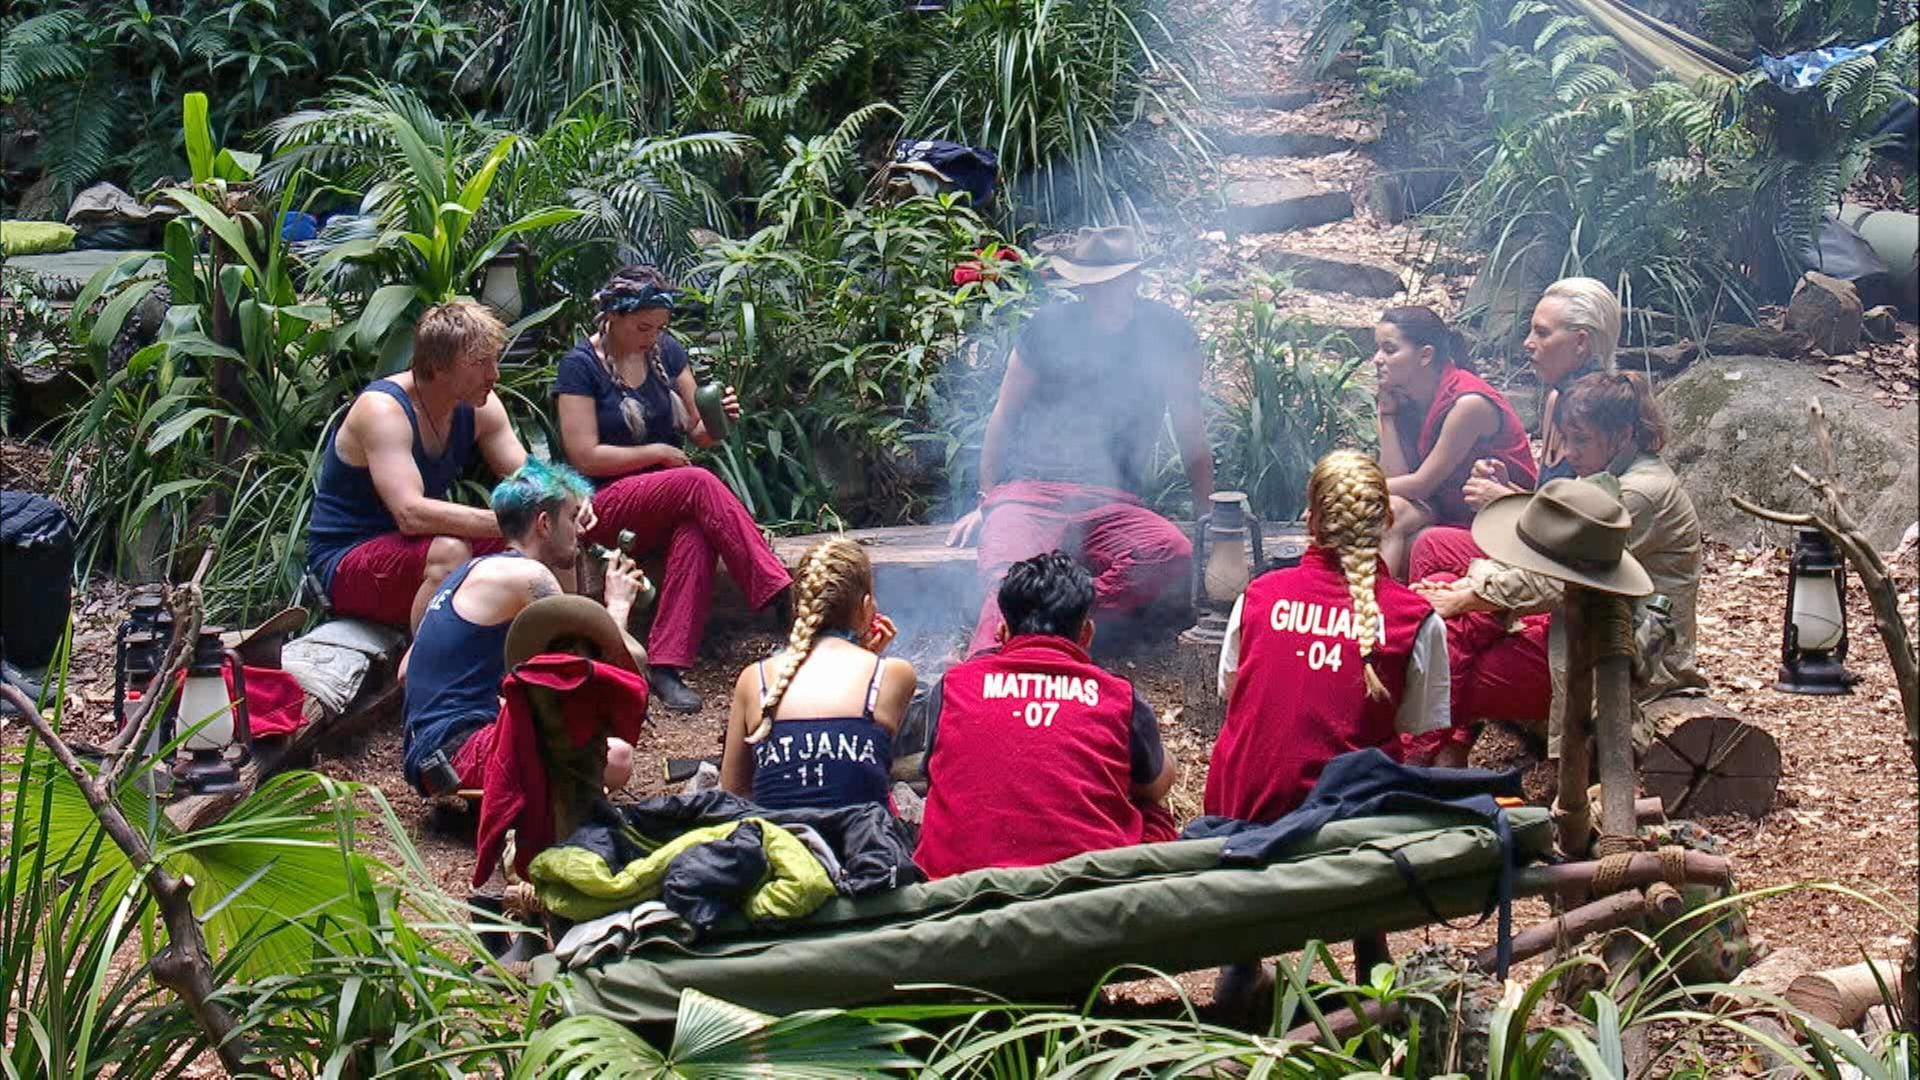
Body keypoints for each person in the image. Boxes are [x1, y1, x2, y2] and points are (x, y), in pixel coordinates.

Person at [944, 226, 1212, 656]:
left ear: (1134, 278)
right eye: (1095, 282)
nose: (1104, 290)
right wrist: (987, 499)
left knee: (1171, 553)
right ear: (1082, 284)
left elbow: (1190, 430)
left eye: (1115, 279)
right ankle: (985, 670)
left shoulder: (1168, 334)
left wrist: (1206, 517)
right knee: (1005, 579)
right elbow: (1004, 415)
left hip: (1114, 502)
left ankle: (1053, 622)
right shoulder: (1048, 328)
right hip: (1031, 494)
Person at [1412, 372, 1703, 761]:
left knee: (1458, 648)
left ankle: (1428, 750)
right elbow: (1555, 544)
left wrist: (1470, 594)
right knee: (1437, 561)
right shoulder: (1611, 472)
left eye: (1580, 440)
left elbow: (1560, 580)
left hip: (1621, 649)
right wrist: (1473, 587)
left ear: (1623, 433)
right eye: (1566, 438)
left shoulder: (1638, 495)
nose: (1569, 453)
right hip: (1577, 609)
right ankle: (1443, 743)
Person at [554, 264, 794, 713]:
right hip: (604, 504)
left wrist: (720, 418)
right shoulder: (579, 366)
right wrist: (659, 452)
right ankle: (779, 593)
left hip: (666, 497)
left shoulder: (666, 352)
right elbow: (583, 454)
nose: (652, 336)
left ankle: (666, 665)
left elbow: (700, 431)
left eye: (660, 327)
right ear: (614, 317)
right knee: (697, 482)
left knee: (696, 532)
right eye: (643, 327)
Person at [1207, 450, 1450, 824]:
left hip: (1237, 822)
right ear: (1387, 520)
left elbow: (1231, 691)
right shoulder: (1416, 620)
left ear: (1310, 522)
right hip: (1344, 838)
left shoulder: (1257, 598)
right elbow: (1415, 726)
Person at [915, 552, 1178, 878]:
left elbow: (932, 777)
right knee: (1153, 814)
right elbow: (1155, 786)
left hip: (958, 897)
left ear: (1002, 632)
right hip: (1085, 896)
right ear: (1087, 634)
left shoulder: (954, 685)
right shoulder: (1117, 697)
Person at [401, 460, 647, 797]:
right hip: (462, 754)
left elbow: (405, 670)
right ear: (544, 524)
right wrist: (617, 605)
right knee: (616, 757)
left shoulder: (471, 572)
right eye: (573, 518)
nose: (579, 531)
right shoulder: (530, 577)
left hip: (431, 757)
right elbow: (586, 674)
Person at [306, 299, 534, 632]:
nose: (494, 375)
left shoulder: (478, 404)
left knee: (540, 543)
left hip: (417, 548)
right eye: (480, 363)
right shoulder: (383, 410)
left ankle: (551, 657)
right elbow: (410, 515)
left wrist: (563, 497)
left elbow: (527, 474)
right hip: (347, 559)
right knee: (450, 552)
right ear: (439, 366)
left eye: (494, 361)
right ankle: (423, 670)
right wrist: (513, 522)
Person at [719, 536, 916, 811]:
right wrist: (870, 655)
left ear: (800, 606)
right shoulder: (892, 674)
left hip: (781, 846)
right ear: (866, 605)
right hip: (861, 848)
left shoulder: (755, 679)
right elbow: (873, 765)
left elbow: (734, 791)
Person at [1372, 305, 1537, 579]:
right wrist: (1386, 417)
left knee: (1398, 534)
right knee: (1386, 513)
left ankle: (1384, 609)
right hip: (1445, 510)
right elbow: (1398, 480)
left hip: (1497, 524)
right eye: (1377, 349)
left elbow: (1422, 483)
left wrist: (1343, 490)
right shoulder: (1407, 398)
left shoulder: (1468, 404)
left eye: (1389, 350)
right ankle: (1366, 610)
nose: (1377, 359)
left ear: (1425, 355)